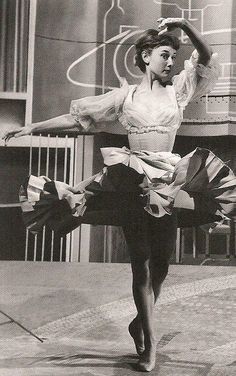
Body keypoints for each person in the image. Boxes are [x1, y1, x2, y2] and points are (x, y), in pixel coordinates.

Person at [3, 18, 236, 372]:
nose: (171, 62)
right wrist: (33, 126)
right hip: (130, 182)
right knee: (140, 263)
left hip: (167, 184)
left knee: (162, 264)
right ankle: (150, 344)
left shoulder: (180, 90)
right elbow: (77, 119)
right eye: (164, 55)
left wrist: (184, 25)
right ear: (145, 57)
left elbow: (205, 57)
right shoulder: (124, 97)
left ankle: (139, 321)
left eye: (174, 56)